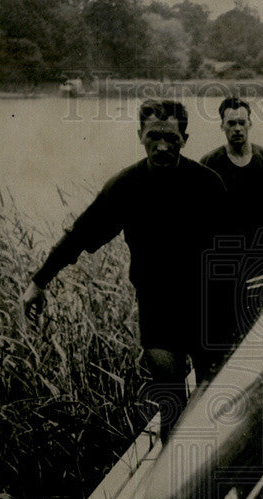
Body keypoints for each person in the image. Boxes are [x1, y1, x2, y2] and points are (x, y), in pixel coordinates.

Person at [22, 98, 227, 444]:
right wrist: (38, 281)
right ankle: (176, 486)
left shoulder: (208, 184)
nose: (162, 145)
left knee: (213, 400)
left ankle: (219, 485)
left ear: (185, 139)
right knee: (171, 402)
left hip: (207, 301)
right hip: (157, 303)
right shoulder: (126, 187)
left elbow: (233, 251)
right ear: (140, 136)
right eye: (153, 136)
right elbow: (81, 234)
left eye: (172, 138)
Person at [200, 96, 263, 337]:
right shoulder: (209, 163)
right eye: (231, 124)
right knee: (229, 325)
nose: (237, 128)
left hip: (262, 254)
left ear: (250, 124)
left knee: (262, 319)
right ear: (222, 126)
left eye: (241, 122)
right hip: (226, 256)